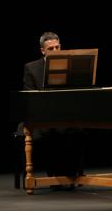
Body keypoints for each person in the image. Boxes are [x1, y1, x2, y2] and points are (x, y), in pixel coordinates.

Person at [22, 31, 85, 181]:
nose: (56, 51)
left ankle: (71, 175)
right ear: (43, 51)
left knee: (77, 129)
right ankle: (55, 176)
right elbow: (28, 96)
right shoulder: (31, 68)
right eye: (51, 49)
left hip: (65, 114)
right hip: (41, 116)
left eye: (58, 47)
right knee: (50, 131)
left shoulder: (71, 64)